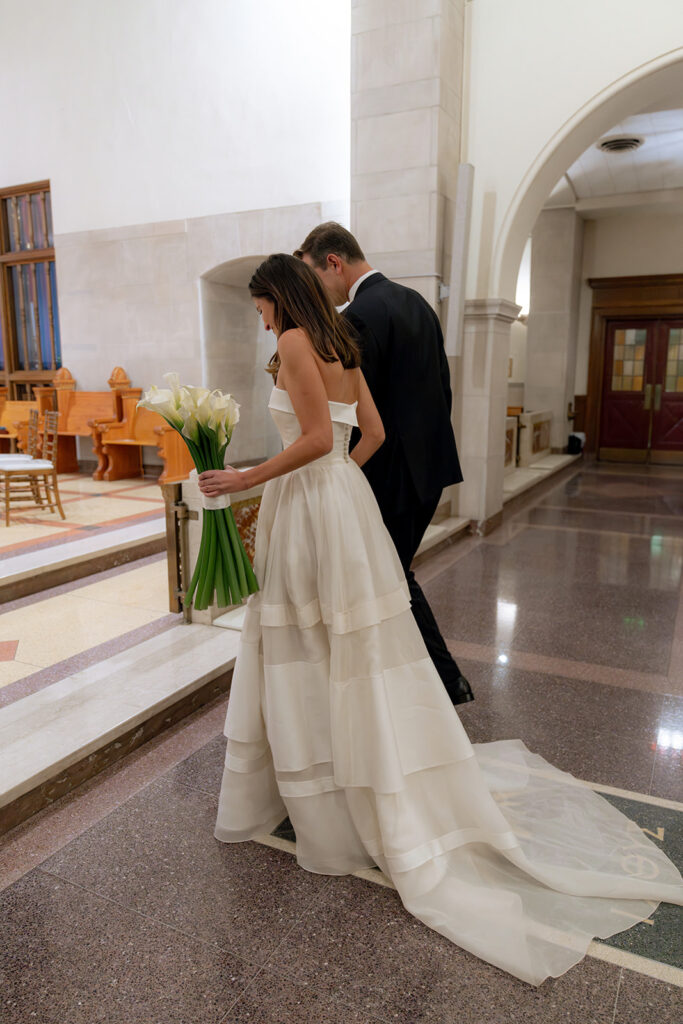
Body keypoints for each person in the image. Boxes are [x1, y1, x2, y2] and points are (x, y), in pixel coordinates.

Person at [199, 254, 682, 987]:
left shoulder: (298, 342)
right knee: (350, 644)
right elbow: (371, 434)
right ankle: (354, 762)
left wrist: (246, 477)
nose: (260, 317)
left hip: (306, 502)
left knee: (307, 641)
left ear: (278, 298)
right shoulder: (340, 343)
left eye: (260, 305)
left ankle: (325, 786)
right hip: (340, 503)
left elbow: (307, 440)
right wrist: (340, 483)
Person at [295, 222, 473, 707]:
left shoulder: (360, 316)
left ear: (333, 262)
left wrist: (340, 467)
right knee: (391, 572)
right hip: (430, 468)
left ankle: (443, 680)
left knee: (389, 577)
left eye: (315, 278)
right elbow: (443, 387)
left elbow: (348, 408)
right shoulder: (417, 304)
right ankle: (412, 679)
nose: (318, 293)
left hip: (387, 471)